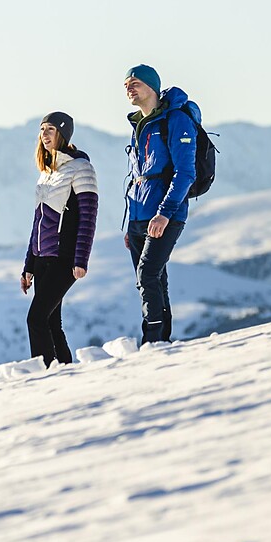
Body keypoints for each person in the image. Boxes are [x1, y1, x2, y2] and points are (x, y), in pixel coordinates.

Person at [122, 64, 200, 343]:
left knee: (148, 275)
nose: (129, 88)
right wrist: (131, 224)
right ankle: (162, 342)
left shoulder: (175, 120)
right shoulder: (138, 126)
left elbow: (185, 173)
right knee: (155, 280)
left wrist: (164, 213)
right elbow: (137, 177)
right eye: (126, 84)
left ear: (152, 87)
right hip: (139, 217)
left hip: (166, 214)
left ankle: (151, 339)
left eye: (135, 83)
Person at [20, 111, 98, 365]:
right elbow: (38, 223)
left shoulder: (81, 168)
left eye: (50, 129)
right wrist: (28, 266)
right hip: (43, 258)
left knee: (36, 319)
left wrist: (81, 259)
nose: (44, 135)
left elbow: (88, 217)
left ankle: (43, 374)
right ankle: (65, 371)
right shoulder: (47, 172)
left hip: (64, 258)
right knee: (52, 322)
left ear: (63, 134)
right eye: (42, 129)